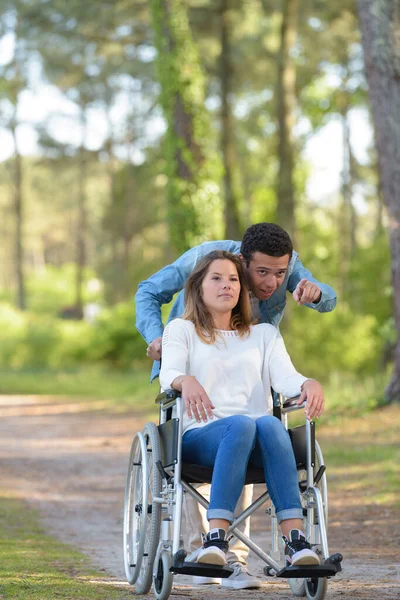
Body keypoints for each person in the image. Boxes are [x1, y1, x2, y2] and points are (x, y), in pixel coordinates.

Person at [135, 222, 336, 589]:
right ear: (198, 285)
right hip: (199, 436)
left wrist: (308, 382)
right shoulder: (181, 330)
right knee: (243, 424)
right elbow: (170, 374)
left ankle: (296, 543)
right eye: (216, 279)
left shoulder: (264, 334)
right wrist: (183, 378)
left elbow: (287, 377)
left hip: (252, 436)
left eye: (232, 280)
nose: (227, 285)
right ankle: (213, 542)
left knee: (270, 423)